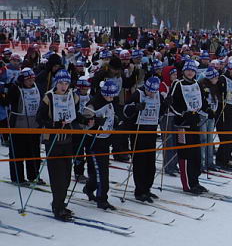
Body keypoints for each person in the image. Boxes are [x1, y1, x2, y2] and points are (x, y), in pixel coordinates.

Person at [36, 69, 80, 221]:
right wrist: (52, 124)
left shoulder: (73, 96)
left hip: (67, 140)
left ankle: (61, 203)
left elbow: (76, 116)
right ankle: (57, 206)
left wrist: (87, 121)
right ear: (56, 82)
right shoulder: (48, 97)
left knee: (67, 176)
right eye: (61, 83)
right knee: (57, 177)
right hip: (53, 141)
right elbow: (39, 118)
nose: (64, 86)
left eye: (66, 83)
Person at [169, 60, 211, 194]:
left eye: (192, 70)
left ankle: (195, 181)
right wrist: (183, 114)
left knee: (196, 154)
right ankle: (187, 184)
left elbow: (202, 101)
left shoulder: (196, 84)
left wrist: (208, 110)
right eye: (188, 70)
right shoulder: (178, 83)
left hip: (195, 123)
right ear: (183, 71)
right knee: (185, 154)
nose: (190, 72)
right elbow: (171, 103)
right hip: (182, 125)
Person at [123, 77, 165, 202]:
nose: (151, 94)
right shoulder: (138, 94)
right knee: (140, 162)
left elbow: (161, 113)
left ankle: (147, 188)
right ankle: (139, 190)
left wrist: (166, 105)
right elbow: (125, 111)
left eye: (153, 91)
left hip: (151, 131)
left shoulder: (158, 95)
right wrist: (135, 107)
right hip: (138, 131)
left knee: (150, 163)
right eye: (149, 91)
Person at [81, 80, 120, 210]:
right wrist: (96, 121)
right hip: (94, 142)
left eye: (113, 95)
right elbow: (83, 122)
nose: (111, 98)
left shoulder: (109, 102)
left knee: (98, 170)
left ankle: (89, 188)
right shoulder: (93, 104)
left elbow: (110, 115)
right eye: (109, 95)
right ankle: (102, 199)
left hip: (105, 140)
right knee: (102, 172)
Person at [6, 68, 42, 184]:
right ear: (22, 80)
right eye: (28, 79)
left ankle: (34, 176)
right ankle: (17, 178)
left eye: (32, 79)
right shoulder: (16, 89)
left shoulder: (36, 87)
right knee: (18, 153)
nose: (31, 81)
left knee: (34, 153)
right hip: (18, 125)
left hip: (33, 125)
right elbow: (6, 101)